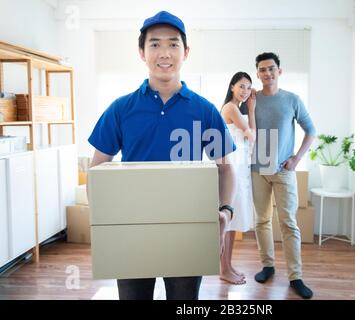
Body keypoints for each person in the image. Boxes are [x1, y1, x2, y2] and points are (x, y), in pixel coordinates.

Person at [87, 11, 236, 300]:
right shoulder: (121, 108)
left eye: (173, 44)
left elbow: (226, 169)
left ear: (186, 52)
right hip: (131, 232)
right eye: (155, 44)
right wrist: (106, 224)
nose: (164, 53)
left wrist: (225, 212)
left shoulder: (204, 110)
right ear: (142, 52)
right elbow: (97, 168)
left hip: (187, 230)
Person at [251, 52, 316, 299]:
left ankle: (295, 276)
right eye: (262, 69)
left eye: (271, 68)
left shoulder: (292, 100)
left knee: (288, 223)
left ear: (280, 71)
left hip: (282, 171)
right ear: (257, 73)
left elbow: (311, 130)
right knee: (262, 220)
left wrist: (297, 159)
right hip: (257, 170)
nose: (267, 73)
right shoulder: (252, 99)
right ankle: (267, 265)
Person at [219, 72, 256, 285]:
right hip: (231, 168)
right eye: (242, 86)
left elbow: (252, 137)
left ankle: (228, 265)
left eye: (249, 88)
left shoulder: (237, 109)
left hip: (239, 167)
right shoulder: (231, 108)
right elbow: (252, 135)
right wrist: (252, 109)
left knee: (233, 220)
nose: (245, 91)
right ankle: (224, 269)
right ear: (232, 86)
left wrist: (250, 110)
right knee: (227, 220)